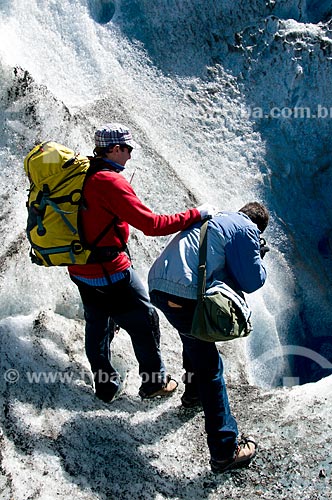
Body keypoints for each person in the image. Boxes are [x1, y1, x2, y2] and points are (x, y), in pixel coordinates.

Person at [68, 123, 214, 403]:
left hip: (80, 266)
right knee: (145, 320)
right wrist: (197, 213)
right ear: (114, 148)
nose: (131, 155)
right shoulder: (110, 182)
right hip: (110, 270)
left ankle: (105, 385)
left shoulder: (84, 171)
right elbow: (152, 225)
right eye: (128, 149)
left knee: (97, 324)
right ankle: (154, 383)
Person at [148, 202, 270, 473]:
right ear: (257, 225)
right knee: (212, 370)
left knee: (193, 339)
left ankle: (193, 394)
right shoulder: (247, 229)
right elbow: (252, 281)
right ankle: (225, 450)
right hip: (183, 293)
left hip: (159, 286)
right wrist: (258, 255)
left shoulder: (216, 219)